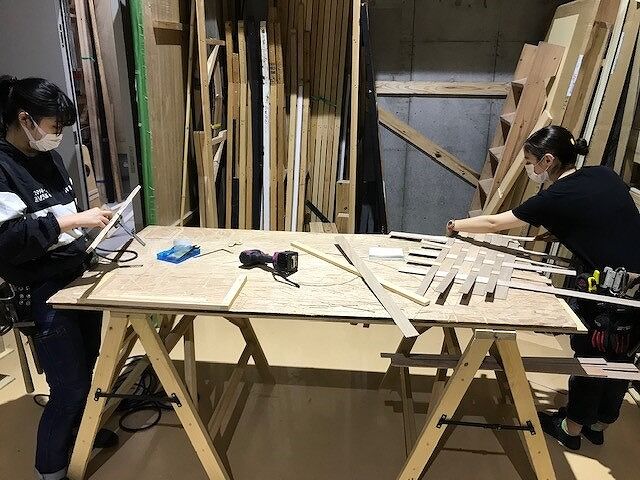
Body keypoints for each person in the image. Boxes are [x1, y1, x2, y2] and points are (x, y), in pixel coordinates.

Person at [446, 125, 640, 451]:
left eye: (529, 161)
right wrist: (564, 229)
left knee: (592, 358)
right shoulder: (603, 174)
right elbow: (606, 219)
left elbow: (495, 223)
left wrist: (455, 226)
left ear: (547, 160)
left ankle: (571, 429)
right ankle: (599, 424)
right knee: (621, 357)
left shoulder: (553, 198)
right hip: (636, 288)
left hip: (609, 291)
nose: (529, 168)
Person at [0, 76, 117, 480]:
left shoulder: (44, 156)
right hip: (42, 288)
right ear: (25, 119)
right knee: (68, 388)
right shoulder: (3, 167)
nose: (58, 135)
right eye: (54, 127)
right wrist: (72, 220)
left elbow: (61, 212)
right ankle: (50, 469)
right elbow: (9, 241)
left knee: (89, 366)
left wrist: (90, 223)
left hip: (74, 274)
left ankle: (81, 435)